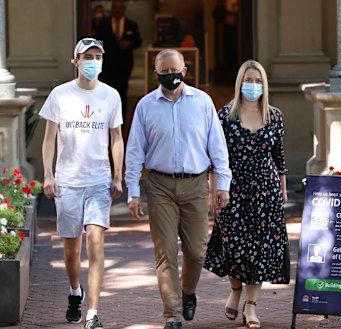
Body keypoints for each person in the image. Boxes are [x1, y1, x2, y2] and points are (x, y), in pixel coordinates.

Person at [125, 48, 232, 329]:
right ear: (156, 72)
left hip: (196, 184)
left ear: (184, 71)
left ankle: (187, 292)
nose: (170, 75)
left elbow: (218, 147)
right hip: (159, 184)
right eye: (164, 71)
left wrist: (222, 185)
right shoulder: (146, 106)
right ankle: (171, 315)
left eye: (175, 70)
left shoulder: (203, 102)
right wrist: (133, 191)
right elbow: (135, 152)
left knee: (197, 251)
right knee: (165, 253)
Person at [40, 37, 124, 329]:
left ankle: (92, 313)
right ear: (75, 61)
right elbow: (49, 138)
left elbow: (116, 138)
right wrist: (48, 175)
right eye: (87, 56)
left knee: (96, 241)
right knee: (72, 250)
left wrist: (117, 175)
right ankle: (75, 291)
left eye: (98, 57)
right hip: (68, 182)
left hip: (98, 181)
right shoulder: (60, 95)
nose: (93, 62)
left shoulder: (111, 95)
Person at [204, 60, 290, 329]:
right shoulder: (225, 115)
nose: (252, 86)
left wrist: (283, 191)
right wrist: (214, 191)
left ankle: (251, 306)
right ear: (239, 82)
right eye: (248, 80)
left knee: (261, 248)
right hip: (233, 190)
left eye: (257, 81)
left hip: (266, 190)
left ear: (264, 84)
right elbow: (215, 158)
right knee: (234, 245)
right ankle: (235, 289)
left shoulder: (274, 117)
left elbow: (280, 158)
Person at [95, 0, 142, 125]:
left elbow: (138, 41)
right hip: (107, 66)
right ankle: (106, 120)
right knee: (106, 92)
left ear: (124, 9)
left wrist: (129, 44)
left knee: (122, 93)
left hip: (123, 66)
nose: (117, 10)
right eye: (115, 7)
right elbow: (98, 42)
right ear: (112, 9)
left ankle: (121, 121)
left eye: (120, 8)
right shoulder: (104, 24)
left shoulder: (131, 25)